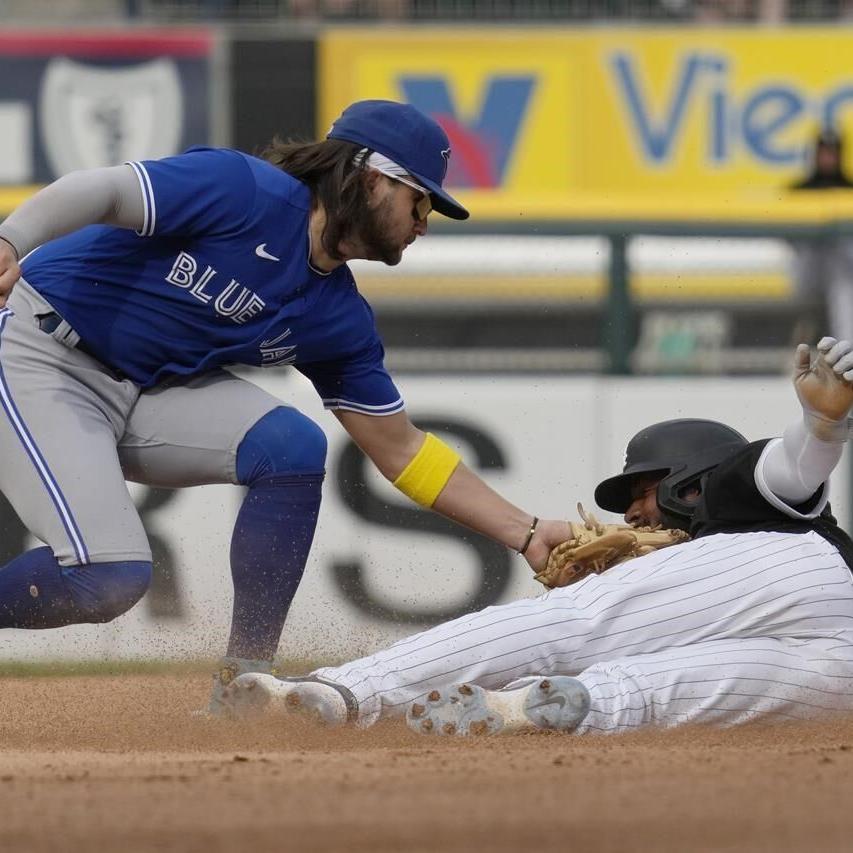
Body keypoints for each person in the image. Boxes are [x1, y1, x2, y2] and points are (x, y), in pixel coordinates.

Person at [0, 99, 570, 712]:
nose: (425, 221)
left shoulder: (338, 316)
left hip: (139, 391)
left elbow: (401, 450)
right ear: (373, 177)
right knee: (109, 579)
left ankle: (243, 685)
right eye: (420, 199)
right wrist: (11, 238)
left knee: (292, 447)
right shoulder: (245, 191)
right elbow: (106, 191)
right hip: (38, 350)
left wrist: (528, 532)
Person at [219, 337, 853, 735]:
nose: (630, 518)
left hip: (810, 571)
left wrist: (821, 428)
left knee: (578, 619)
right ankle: (533, 709)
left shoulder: (739, 495)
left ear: (691, 486)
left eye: (640, 493)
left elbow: (790, 469)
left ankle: (345, 690)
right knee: (687, 686)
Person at [789, 127, 853, 345]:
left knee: (843, 281)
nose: (828, 158)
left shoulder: (848, 188)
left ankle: (846, 354)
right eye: (824, 152)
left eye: (832, 153)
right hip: (807, 270)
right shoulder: (799, 190)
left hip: (840, 272)